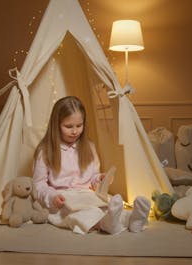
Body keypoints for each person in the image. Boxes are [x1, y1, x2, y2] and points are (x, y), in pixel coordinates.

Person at [32, 96, 151, 235]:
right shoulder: (45, 151)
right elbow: (39, 185)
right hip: (64, 199)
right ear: (56, 125)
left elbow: (93, 176)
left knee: (106, 206)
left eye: (79, 125)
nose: (75, 131)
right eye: (68, 126)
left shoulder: (89, 147)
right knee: (78, 214)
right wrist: (52, 197)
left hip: (87, 195)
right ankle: (105, 224)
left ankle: (132, 220)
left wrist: (100, 179)